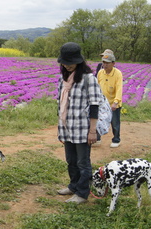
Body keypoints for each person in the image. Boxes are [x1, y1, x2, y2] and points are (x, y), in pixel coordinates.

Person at [55, 42, 102, 204]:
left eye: (71, 62)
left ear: (79, 61)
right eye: (65, 62)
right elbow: (60, 105)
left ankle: (82, 193)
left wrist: (92, 130)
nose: (67, 65)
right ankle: (74, 186)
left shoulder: (89, 79)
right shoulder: (64, 79)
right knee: (71, 160)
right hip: (67, 128)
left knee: (83, 162)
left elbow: (95, 104)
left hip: (82, 128)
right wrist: (61, 129)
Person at [97, 52, 123, 148]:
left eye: (107, 63)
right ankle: (97, 139)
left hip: (113, 103)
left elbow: (119, 88)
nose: (105, 65)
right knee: (98, 121)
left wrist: (116, 102)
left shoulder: (118, 73)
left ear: (113, 63)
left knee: (115, 122)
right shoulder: (100, 72)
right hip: (102, 103)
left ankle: (116, 139)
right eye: (103, 62)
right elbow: (97, 86)